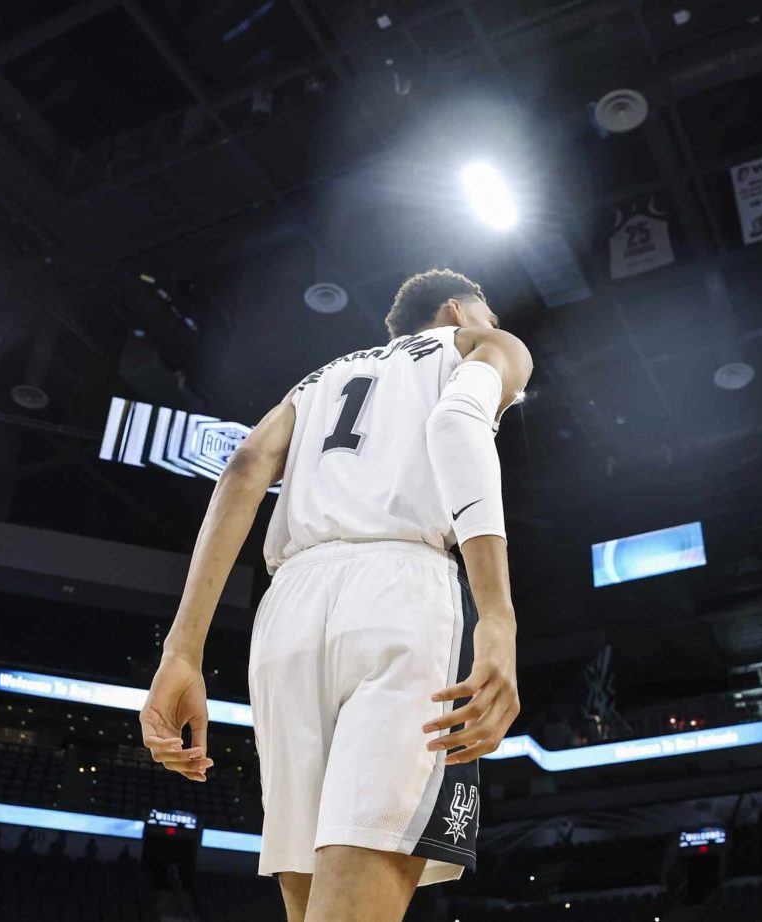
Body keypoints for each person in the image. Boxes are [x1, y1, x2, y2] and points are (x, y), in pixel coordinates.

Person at [139, 269, 533, 922]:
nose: (494, 328)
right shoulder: (478, 345)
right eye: (488, 317)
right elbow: (458, 424)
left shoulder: (316, 382)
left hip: (288, 611)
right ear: (457, 311)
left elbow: (241, 469)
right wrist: (496, 616)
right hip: (398, 597)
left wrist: (181, 653)